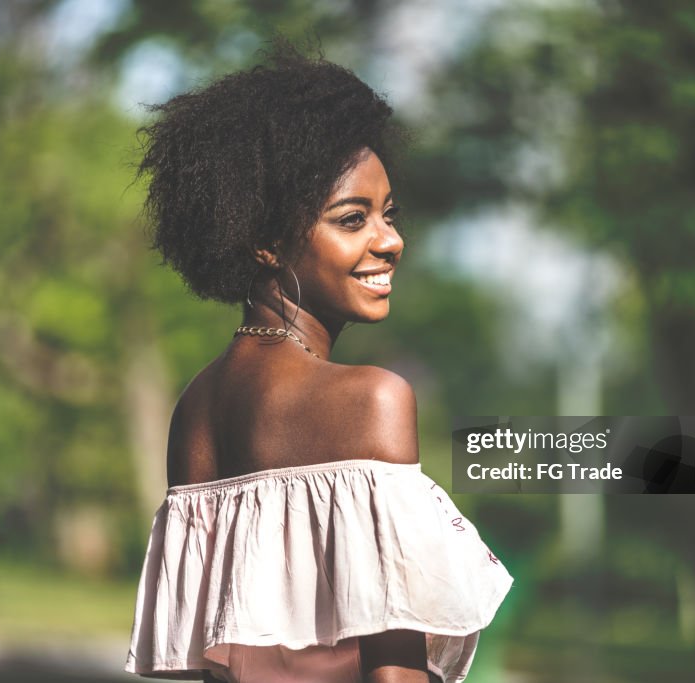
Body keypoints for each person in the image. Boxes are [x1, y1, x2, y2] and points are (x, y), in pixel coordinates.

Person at [124, 43, 512, 683]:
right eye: (352, 219)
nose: (389, 241)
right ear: (265, 241)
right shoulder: (372, 401)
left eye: (388, 215)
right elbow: (396, 674)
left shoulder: (193, 409)